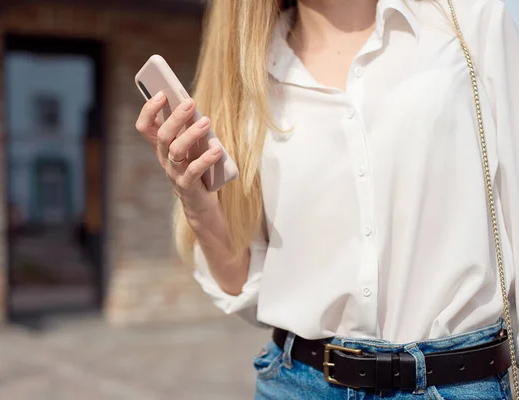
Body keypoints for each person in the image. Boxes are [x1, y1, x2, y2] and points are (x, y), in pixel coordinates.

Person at [135, 0, 519, 398]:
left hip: (458, 380)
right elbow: (242, 282)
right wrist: (196, 203)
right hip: (298, 381)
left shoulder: (467, 22)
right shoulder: (247, 76)